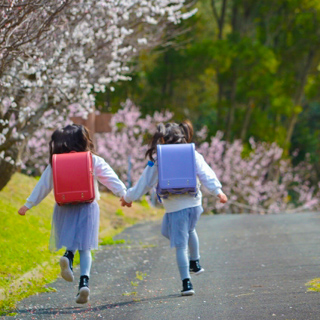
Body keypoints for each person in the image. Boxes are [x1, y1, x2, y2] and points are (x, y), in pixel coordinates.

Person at [18, 124, 127, 304]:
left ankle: (68, 256)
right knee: (86, 246)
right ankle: (84, 282)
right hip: (88, 206)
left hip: (64, 207)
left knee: (72, 239)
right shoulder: (92, 159)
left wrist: (28, 205)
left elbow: (43, 186)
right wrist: (124, 194)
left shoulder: (56, 162)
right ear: (84, 140)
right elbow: (110, 177)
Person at [120, 121, 227, 296]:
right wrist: (218, 191)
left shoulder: (159, 158)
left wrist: (128, 197)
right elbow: (206, 174)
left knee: (180, 244)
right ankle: (195, 262)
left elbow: (145, 183)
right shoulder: (193, 153)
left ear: (162, 139)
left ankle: (187, 283)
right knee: (183, 230)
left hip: (176, 207)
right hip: (194, 204)